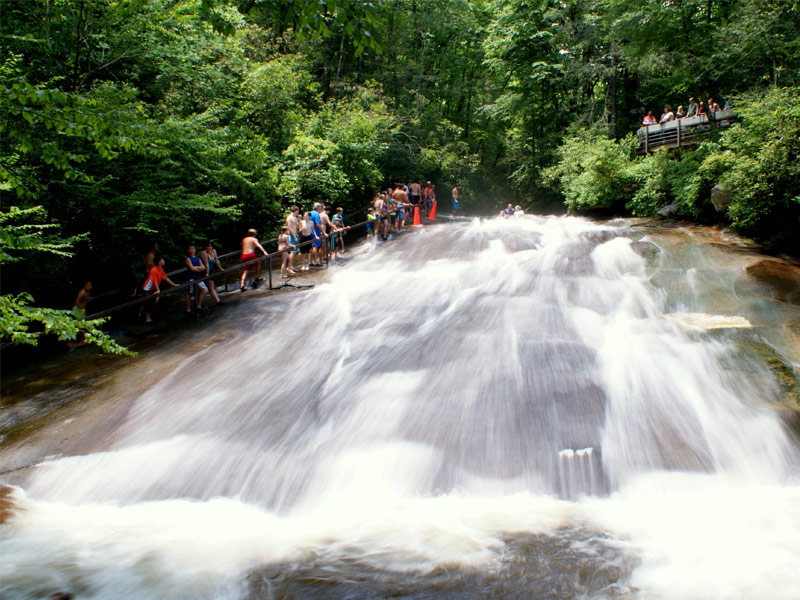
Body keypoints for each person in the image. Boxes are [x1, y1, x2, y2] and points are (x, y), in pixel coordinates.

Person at [142, 256, 178, 323]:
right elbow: (154, 281)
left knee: (154, 301)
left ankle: (149, 316)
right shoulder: (153, 270)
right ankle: (147, 319)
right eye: (162, 260)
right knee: (149, 303)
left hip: (154, 288)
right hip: (147, 289)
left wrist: (174, 285)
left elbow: (166, 278)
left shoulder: (161, 270)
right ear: (159, 262)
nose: (163, 261)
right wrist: (158, 290)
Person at [185, 245, 208, 315]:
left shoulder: (198, 258)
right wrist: (198, 268)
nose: (192, 251)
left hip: (198, 278)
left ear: (195, 250)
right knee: (190, 293)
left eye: (193, 249)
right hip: (191, 278)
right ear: (188, 251)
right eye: (190, 249)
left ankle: (198, 305)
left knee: (204, 290)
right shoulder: (188, 259)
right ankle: (188, 309)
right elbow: (191, 268)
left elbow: (203, 267)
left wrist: (196, 268)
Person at [200, 241, 224, 306]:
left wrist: (221, 269)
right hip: (203, 272)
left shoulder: (214, 251)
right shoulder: (203, 253)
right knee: (203, 289)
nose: (209, 247)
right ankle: (199, 305)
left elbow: (216, 261)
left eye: (210, 246)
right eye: (208, 246)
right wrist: (207, 273)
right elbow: (206, 264)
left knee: (211, 287)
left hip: (210, 271)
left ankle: (217, 301)